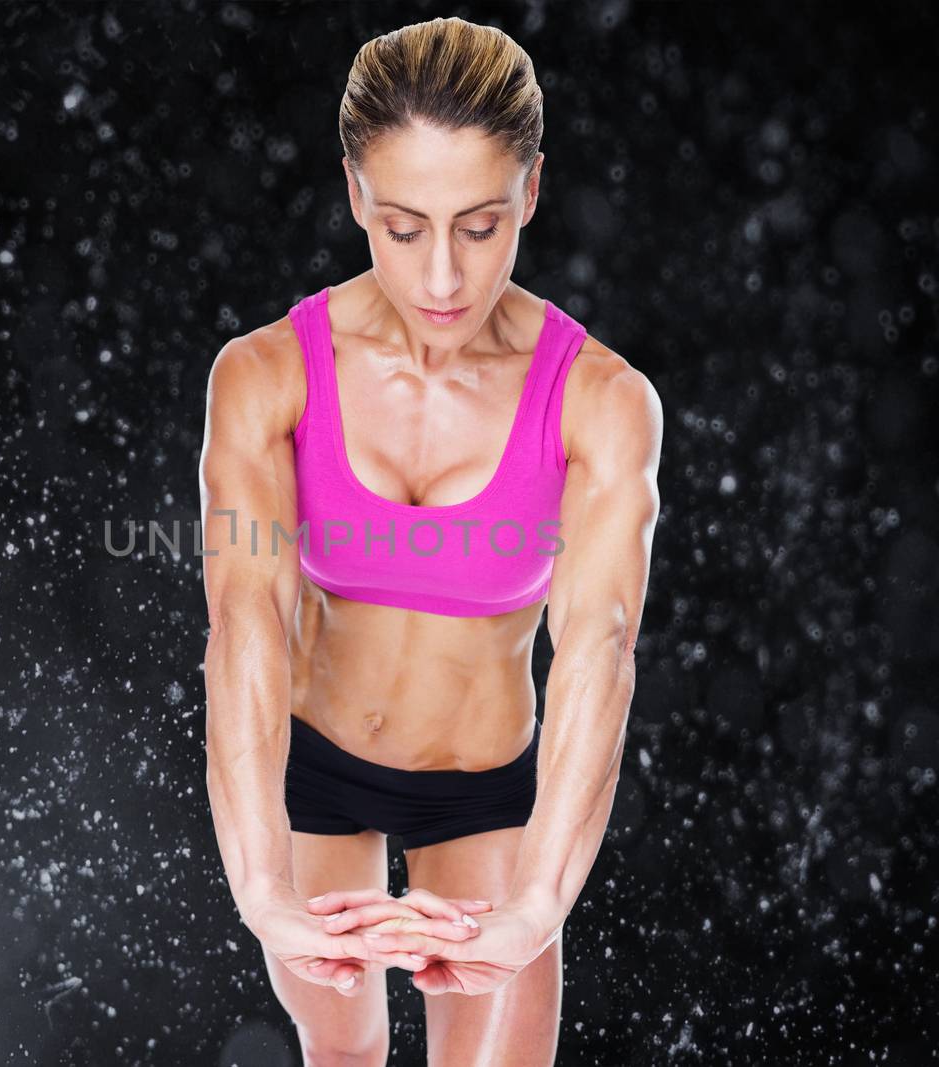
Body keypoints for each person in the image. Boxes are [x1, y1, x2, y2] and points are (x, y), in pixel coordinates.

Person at [199, 16, 662, 1066]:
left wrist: (538, 900)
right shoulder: (266, 375)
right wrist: (260, 882)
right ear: (357, 192)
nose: (444, 278)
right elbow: (248, 622)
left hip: (484, 781)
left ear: (531, 193)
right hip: (314, 764)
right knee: (345, 1052)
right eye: (405, 227)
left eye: (481, 224)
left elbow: (598, 646)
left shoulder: (600, 400)